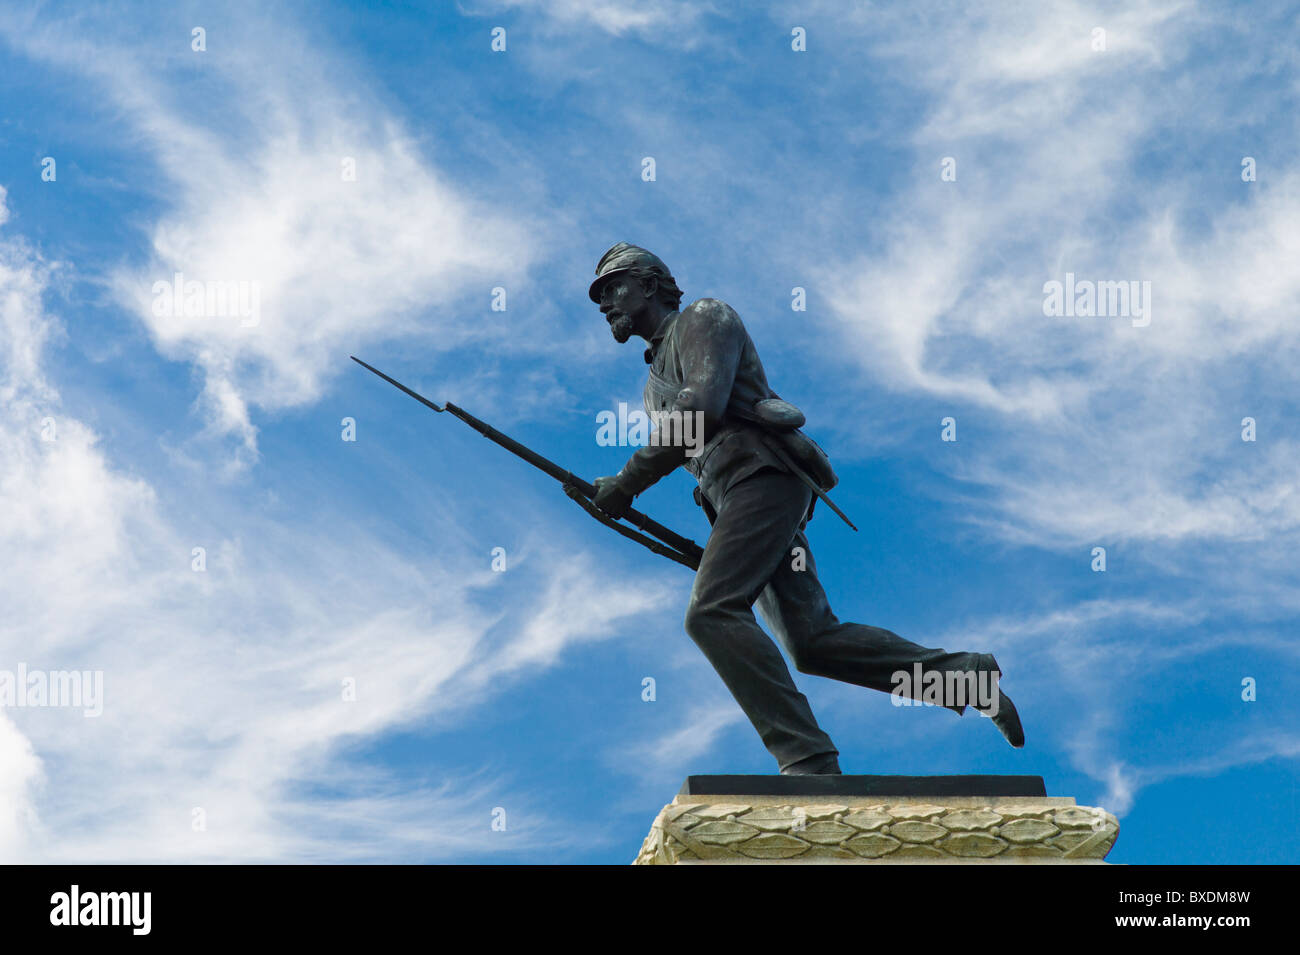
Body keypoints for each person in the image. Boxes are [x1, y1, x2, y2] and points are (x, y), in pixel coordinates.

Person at [589, 243, 1024, 774]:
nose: (606, 303)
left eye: (613, 288)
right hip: (736, 499)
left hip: (762, 480)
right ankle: (965, 678)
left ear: (650, 284)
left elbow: (699, 412)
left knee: (710, 612)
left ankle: (807, 759)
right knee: (810, 641)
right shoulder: (650, 385)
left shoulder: (705, 318)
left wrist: (627, 483)